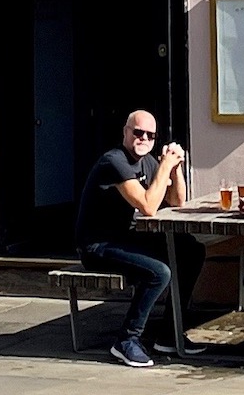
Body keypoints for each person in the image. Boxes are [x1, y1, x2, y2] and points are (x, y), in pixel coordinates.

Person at [75, 109, 186, 367]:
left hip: (125, 238)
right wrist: (165, 166)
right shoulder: (114, 162)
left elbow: (177, 201)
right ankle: (126, 340)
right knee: (159, 272)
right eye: (138, 132)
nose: (143, 138)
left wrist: (175, 168)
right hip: (96, 246)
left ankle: (169, 334)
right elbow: (148, 206)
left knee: (189, 250)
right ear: (125, 132)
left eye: (150, 135)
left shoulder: (147, 162)